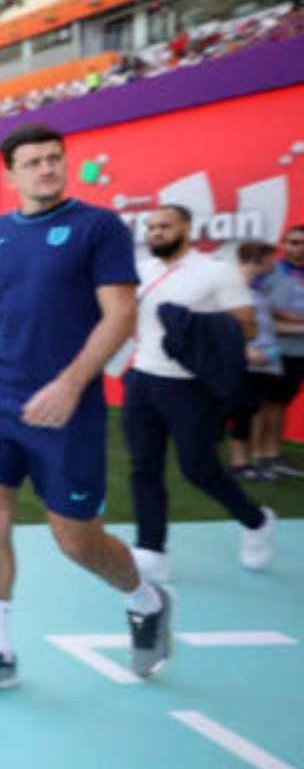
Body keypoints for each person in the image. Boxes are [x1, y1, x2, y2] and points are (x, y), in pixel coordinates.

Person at [0, 123, 170, 700]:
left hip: (65, 410)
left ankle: (144, 599)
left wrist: (71, 384)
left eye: (55, 158)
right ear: (12, 173)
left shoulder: (98, 227)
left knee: (76, 542)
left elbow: (120, 314)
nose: (48, 168)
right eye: (35, 161)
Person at [123, 206, 274, 582]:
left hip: (191, 387)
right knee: (144, 466)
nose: (156, 232)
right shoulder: (140, 270)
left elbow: (249, 328)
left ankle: (256, 521)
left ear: (187, 229)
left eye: (165, 226)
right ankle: (151, 549)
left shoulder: (217, 272)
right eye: (151, 227)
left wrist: (189, 326)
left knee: (199, 469)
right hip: (142, 378)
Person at [228, 241, 300, 480]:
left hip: (265, 362)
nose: (274, 263)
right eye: (270, 258)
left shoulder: (256, 290)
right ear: (257, 259)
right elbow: (221, 323)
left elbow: (268, 324)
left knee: (250, 409)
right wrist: (245, 351)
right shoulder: (232, 286)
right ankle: (240, 463)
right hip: (246, 362)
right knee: (245, 411)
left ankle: (249, 462)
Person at [255, 226, 304, 477]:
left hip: (299, 352)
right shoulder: (269, 271)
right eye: (293, 242)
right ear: (284, 244)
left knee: (280, 405)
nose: (299, 248)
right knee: (262, 404)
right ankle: (259, 456)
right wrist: (283, 316)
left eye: (302, 243)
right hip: (272, 351)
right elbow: (255, 304)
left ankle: (273, 453)